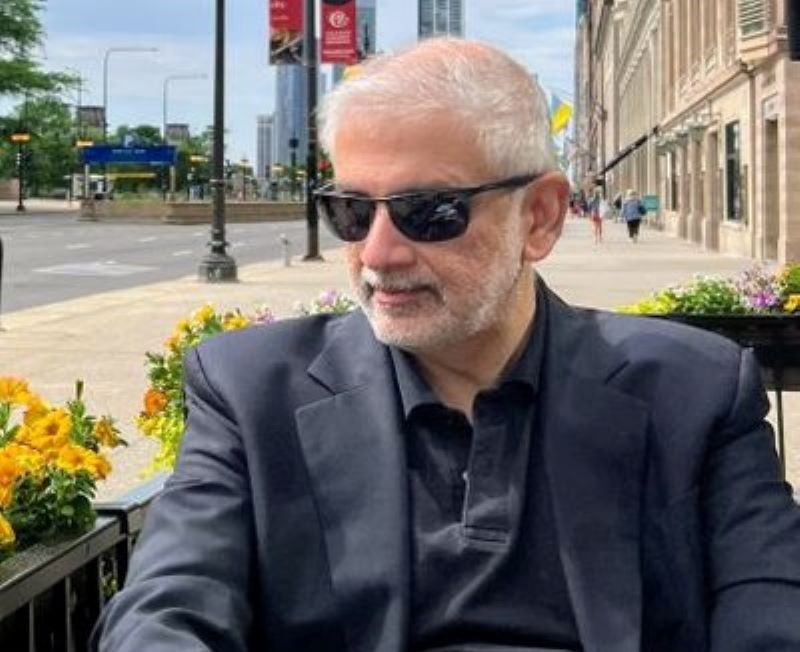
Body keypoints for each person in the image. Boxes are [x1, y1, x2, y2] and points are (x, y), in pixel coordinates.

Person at [91, 38, 800, 652]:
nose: (377, 254)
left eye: (428, 211)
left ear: (540, 218)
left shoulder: (692, 390)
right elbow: (167, 607)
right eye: (350, 211)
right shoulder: (250, 391)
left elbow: (772, 603)